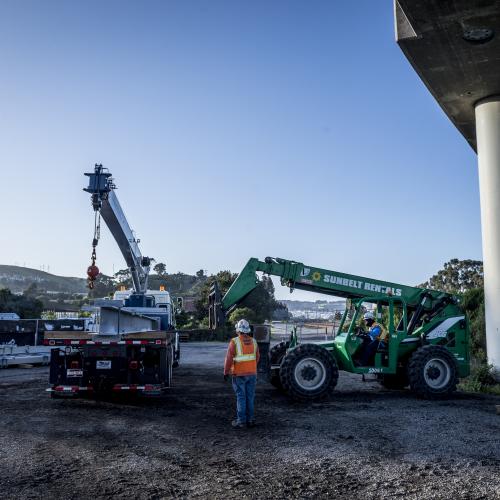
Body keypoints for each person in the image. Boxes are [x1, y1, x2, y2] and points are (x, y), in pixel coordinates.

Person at [224, 318, 260, 429]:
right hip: (252, 374)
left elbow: (229, 359)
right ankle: (250, 420)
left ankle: (241, 421)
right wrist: (251, 367)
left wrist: (226, 372)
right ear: (248, 330)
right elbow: (257, 357)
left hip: (239, 374)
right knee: (250, 397)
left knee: (241, 397)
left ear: (238, 330)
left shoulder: (234, 342)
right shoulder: (254, 341)